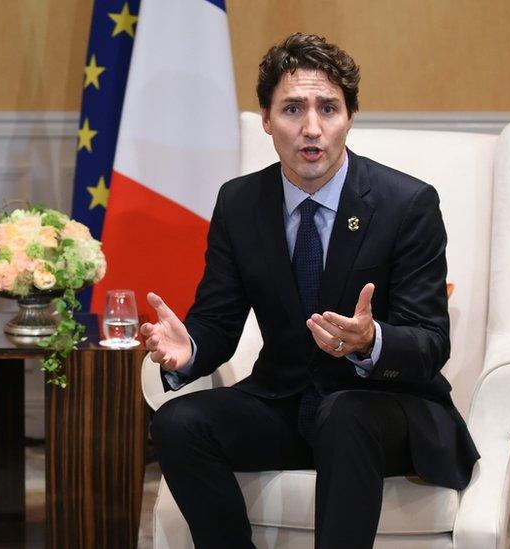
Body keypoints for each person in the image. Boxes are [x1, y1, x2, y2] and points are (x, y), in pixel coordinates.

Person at [141, 33, 479, 548]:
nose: (312, 128)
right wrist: (191, 350)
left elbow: (432, 342)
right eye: (293, 109)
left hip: (383, 410)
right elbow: (218, 321)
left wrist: (371, 341)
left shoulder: (406, 203)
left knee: (344, 415)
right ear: (266, 120)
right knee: (178, 422)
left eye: (328, 108)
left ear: (350, 116)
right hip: (284, 402)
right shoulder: (239, 203)